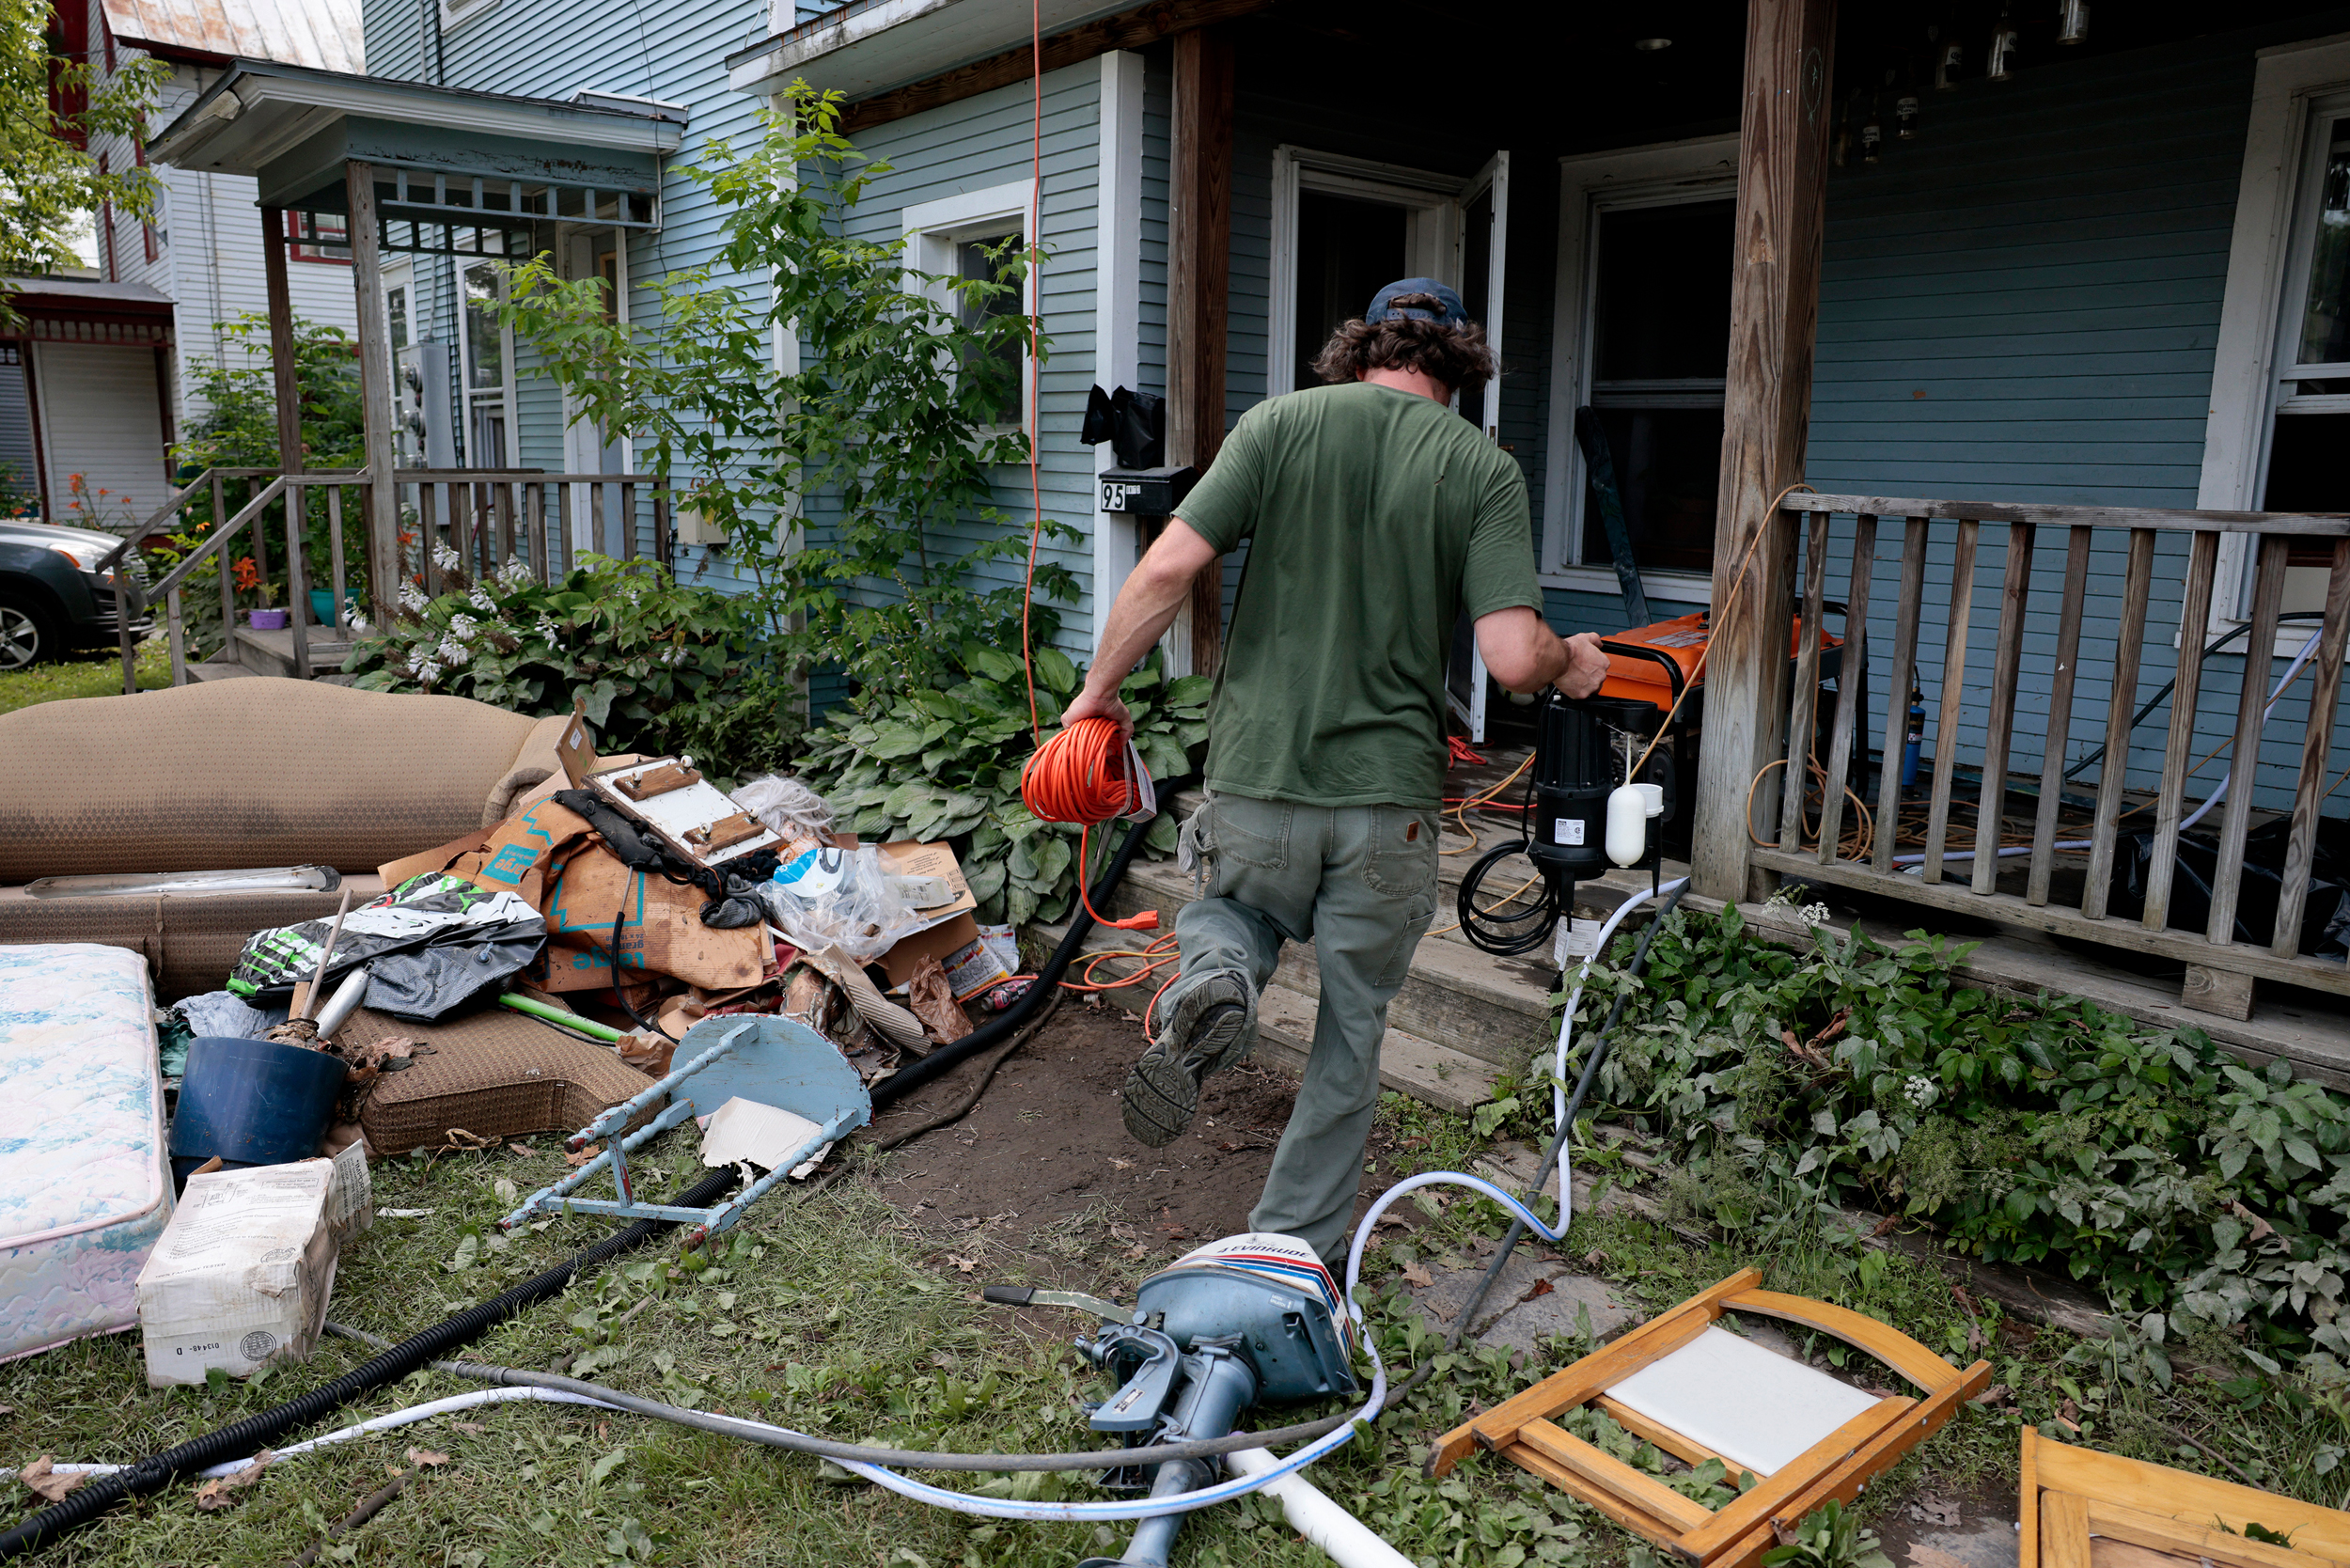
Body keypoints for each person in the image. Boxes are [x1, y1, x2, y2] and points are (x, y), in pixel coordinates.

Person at [1058, 277, 1611, 1268]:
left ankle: (1219, 977)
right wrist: (1576, 661)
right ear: (1459, 367)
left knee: (1232, 913)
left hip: (1261, 782)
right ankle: (1289, 1256)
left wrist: (1096, 693)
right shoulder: (1480, 469)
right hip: (1387, 806)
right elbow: (1512, 659)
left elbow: (1166, 569)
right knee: (1350, 1035)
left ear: (1361, 351)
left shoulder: (1275, 428)